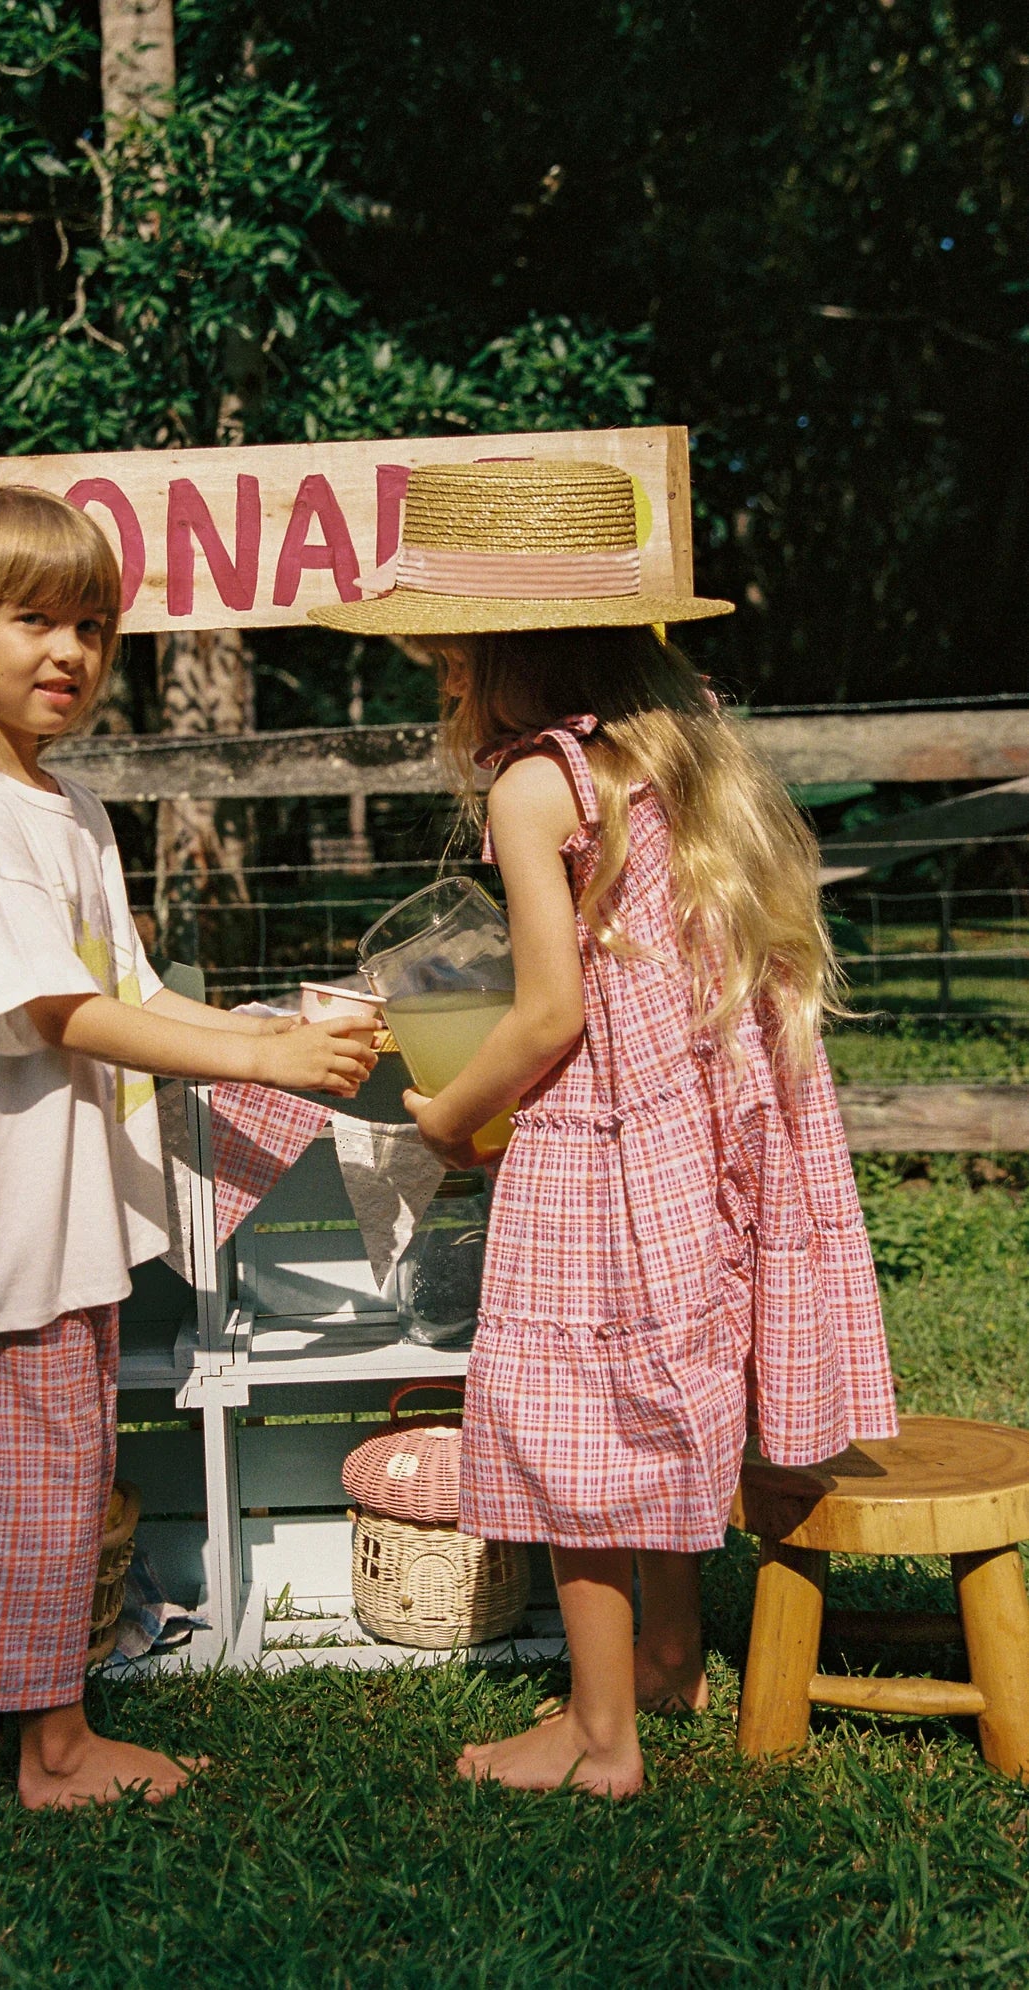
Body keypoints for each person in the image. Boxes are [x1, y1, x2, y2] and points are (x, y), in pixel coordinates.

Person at [311, 459, 897, 1797]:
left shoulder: (535, 783)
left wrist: (446, 1115)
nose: (447, 689)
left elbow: (543, 1011)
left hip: (591, 1147)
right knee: (657, 1395)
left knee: (569, 1423)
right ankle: (667, 1656)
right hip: (692, 1140)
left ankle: (597, 1734)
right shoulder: (676, 750)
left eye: (450, 662)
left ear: (498, 656)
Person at [0, 485, 376, 1810]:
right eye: (31, 618)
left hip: (26, 1205)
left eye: (90, 624)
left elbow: (126, 980)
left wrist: (259, 1026)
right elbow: (62, 1010)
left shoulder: (60, 808)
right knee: (35, 1474)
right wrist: (260, 1060)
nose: (66, 650)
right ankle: (57, 1750)